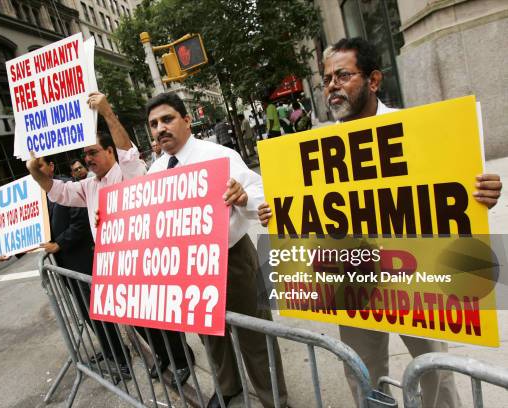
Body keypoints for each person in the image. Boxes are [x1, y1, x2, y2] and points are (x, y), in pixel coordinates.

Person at [258, 37, 503, 408]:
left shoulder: (415, 130)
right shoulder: (316, 148)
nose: (332, 86)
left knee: (433, 370)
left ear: (374, 80)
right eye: (326, 79)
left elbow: (451, 189)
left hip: (416, 276)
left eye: (343, 75)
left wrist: (482, 192)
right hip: (353, 274)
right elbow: (305, 211)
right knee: (362, 372)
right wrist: (277, 213)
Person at [26, 91, 193, 388]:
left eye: (93, 153)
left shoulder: (129, 172)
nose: (87, 160)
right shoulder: (88, 186)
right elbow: (59, 192)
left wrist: (107, 112)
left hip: (142, 261)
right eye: (85, 155)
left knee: (159, 316)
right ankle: (162, 356)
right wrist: (37, 175)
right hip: (114, 266)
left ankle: (182, 358)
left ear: (110, 152)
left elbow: (127, 149)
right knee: (139, 319)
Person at [146, 92, 288, 408]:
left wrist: (242, 198)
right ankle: (227, 388)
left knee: (256, 335)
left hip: (233, 260)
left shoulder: (219, 155)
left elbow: (261, 196)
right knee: (210, 334)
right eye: (154, 124)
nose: (160, 129)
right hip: (189, 269)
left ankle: (273, 398)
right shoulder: (155, 172)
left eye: (167, 119)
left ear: (186, 120)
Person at [38, 154, 131, 379]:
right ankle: (109, 350)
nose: (35, 170)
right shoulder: (39, 197)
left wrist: (59, 244)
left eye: (39, 165)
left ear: (51, 166)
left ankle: (121, 357)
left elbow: (80, 224)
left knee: (98, 310)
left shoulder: (69, 187)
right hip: (65, 266)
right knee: (87, 311)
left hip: (83, 261)